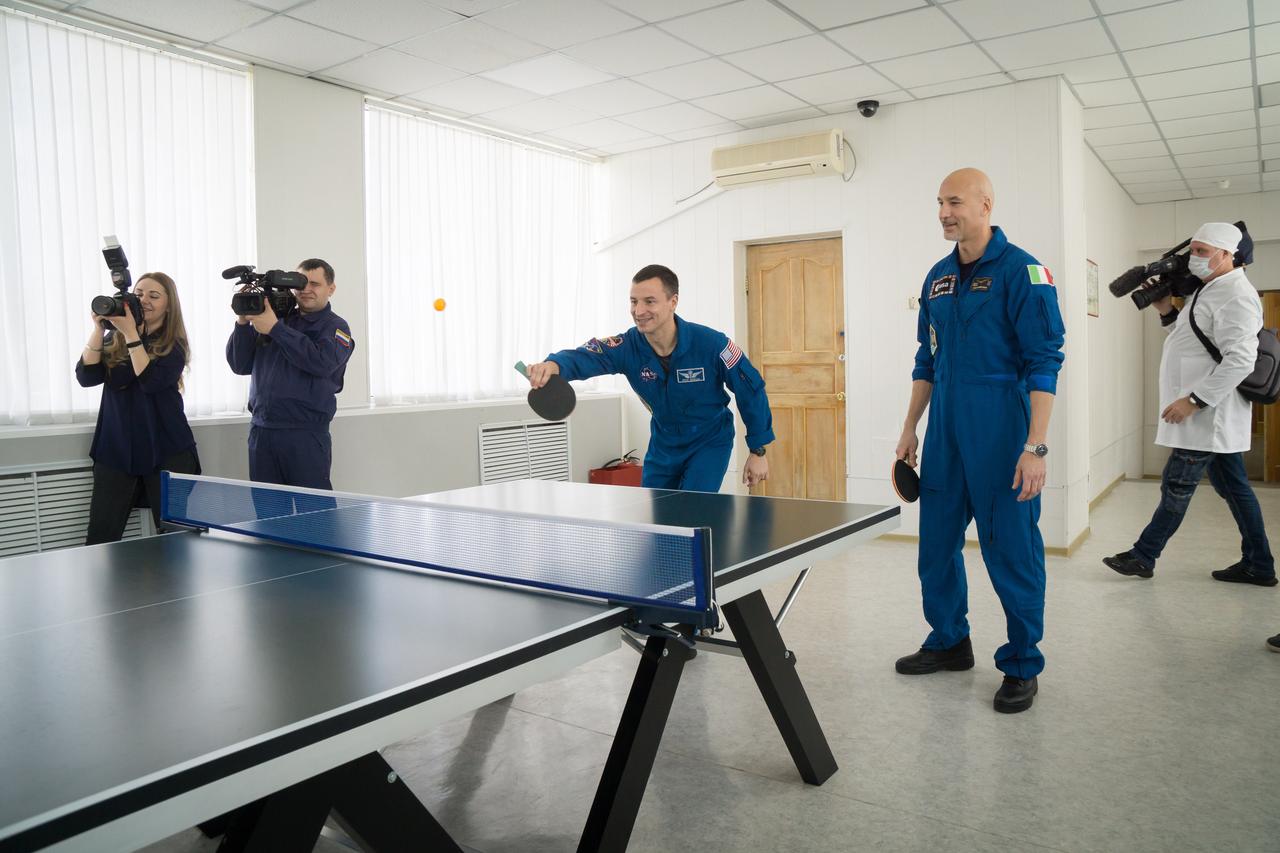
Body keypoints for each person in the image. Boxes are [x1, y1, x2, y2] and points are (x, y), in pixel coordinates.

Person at [894, 168, 1065, 714]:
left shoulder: (1024, 271)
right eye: (940, 202)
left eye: (956, 202)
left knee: (1011, 549)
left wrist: (1035, 446)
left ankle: (1021, 662)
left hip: (1001, 427)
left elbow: (1044, 361)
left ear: (986, 203)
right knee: (936, 545)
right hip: (944, 426)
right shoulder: (937, 278)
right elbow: (927, 358)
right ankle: (949, 640)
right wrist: (909, 428)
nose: (945, 212)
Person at [1103, 222, 1273, 587]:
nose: (1192, 259)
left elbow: (1241, 359)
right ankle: (1259, 564)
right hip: (1203, 415)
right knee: (1236, 490)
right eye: (1192, 250)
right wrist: (1165, 309)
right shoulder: (1211, 288)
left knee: (1176, 485)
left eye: (1202, 251)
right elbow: (1190, 339)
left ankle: (1143, 555)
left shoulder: (1237, 295)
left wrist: (1194, 401)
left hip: (1208, 413)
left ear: (1228, 255)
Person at [525, 264, 772, 491]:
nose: (639, 311)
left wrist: (757, 451)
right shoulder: (627, 346)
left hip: (708, 442)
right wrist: (554, 364)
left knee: (696, 511)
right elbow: (588, 356)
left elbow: (750, 388)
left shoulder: (712, 344)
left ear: (673, 301)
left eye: (649, 301)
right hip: (663, 444)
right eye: (634, 301)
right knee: (656, 517)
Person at [76, 272, 200, 544]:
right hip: (116, 449)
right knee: (100, 537)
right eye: (140, 293)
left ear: (169, 306)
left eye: (154, 296)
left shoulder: (174, 346)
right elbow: (86, 377)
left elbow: (150, 382)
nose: (144, 300)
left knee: (176, 539)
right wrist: (100, 329)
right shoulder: (114, 339)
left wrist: (131, 332)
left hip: (167, 450)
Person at [225, 258, 353, 490]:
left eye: (315, 284)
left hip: (304, 435)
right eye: (301, 283)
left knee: (312, 513)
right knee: (267, 513)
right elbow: (239, 364)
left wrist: (276, 329)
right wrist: (243, 322)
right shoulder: (276, 319)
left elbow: (321, 363)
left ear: (331, 289)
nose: (306, 290)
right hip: (262, 432)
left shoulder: (336, 327)